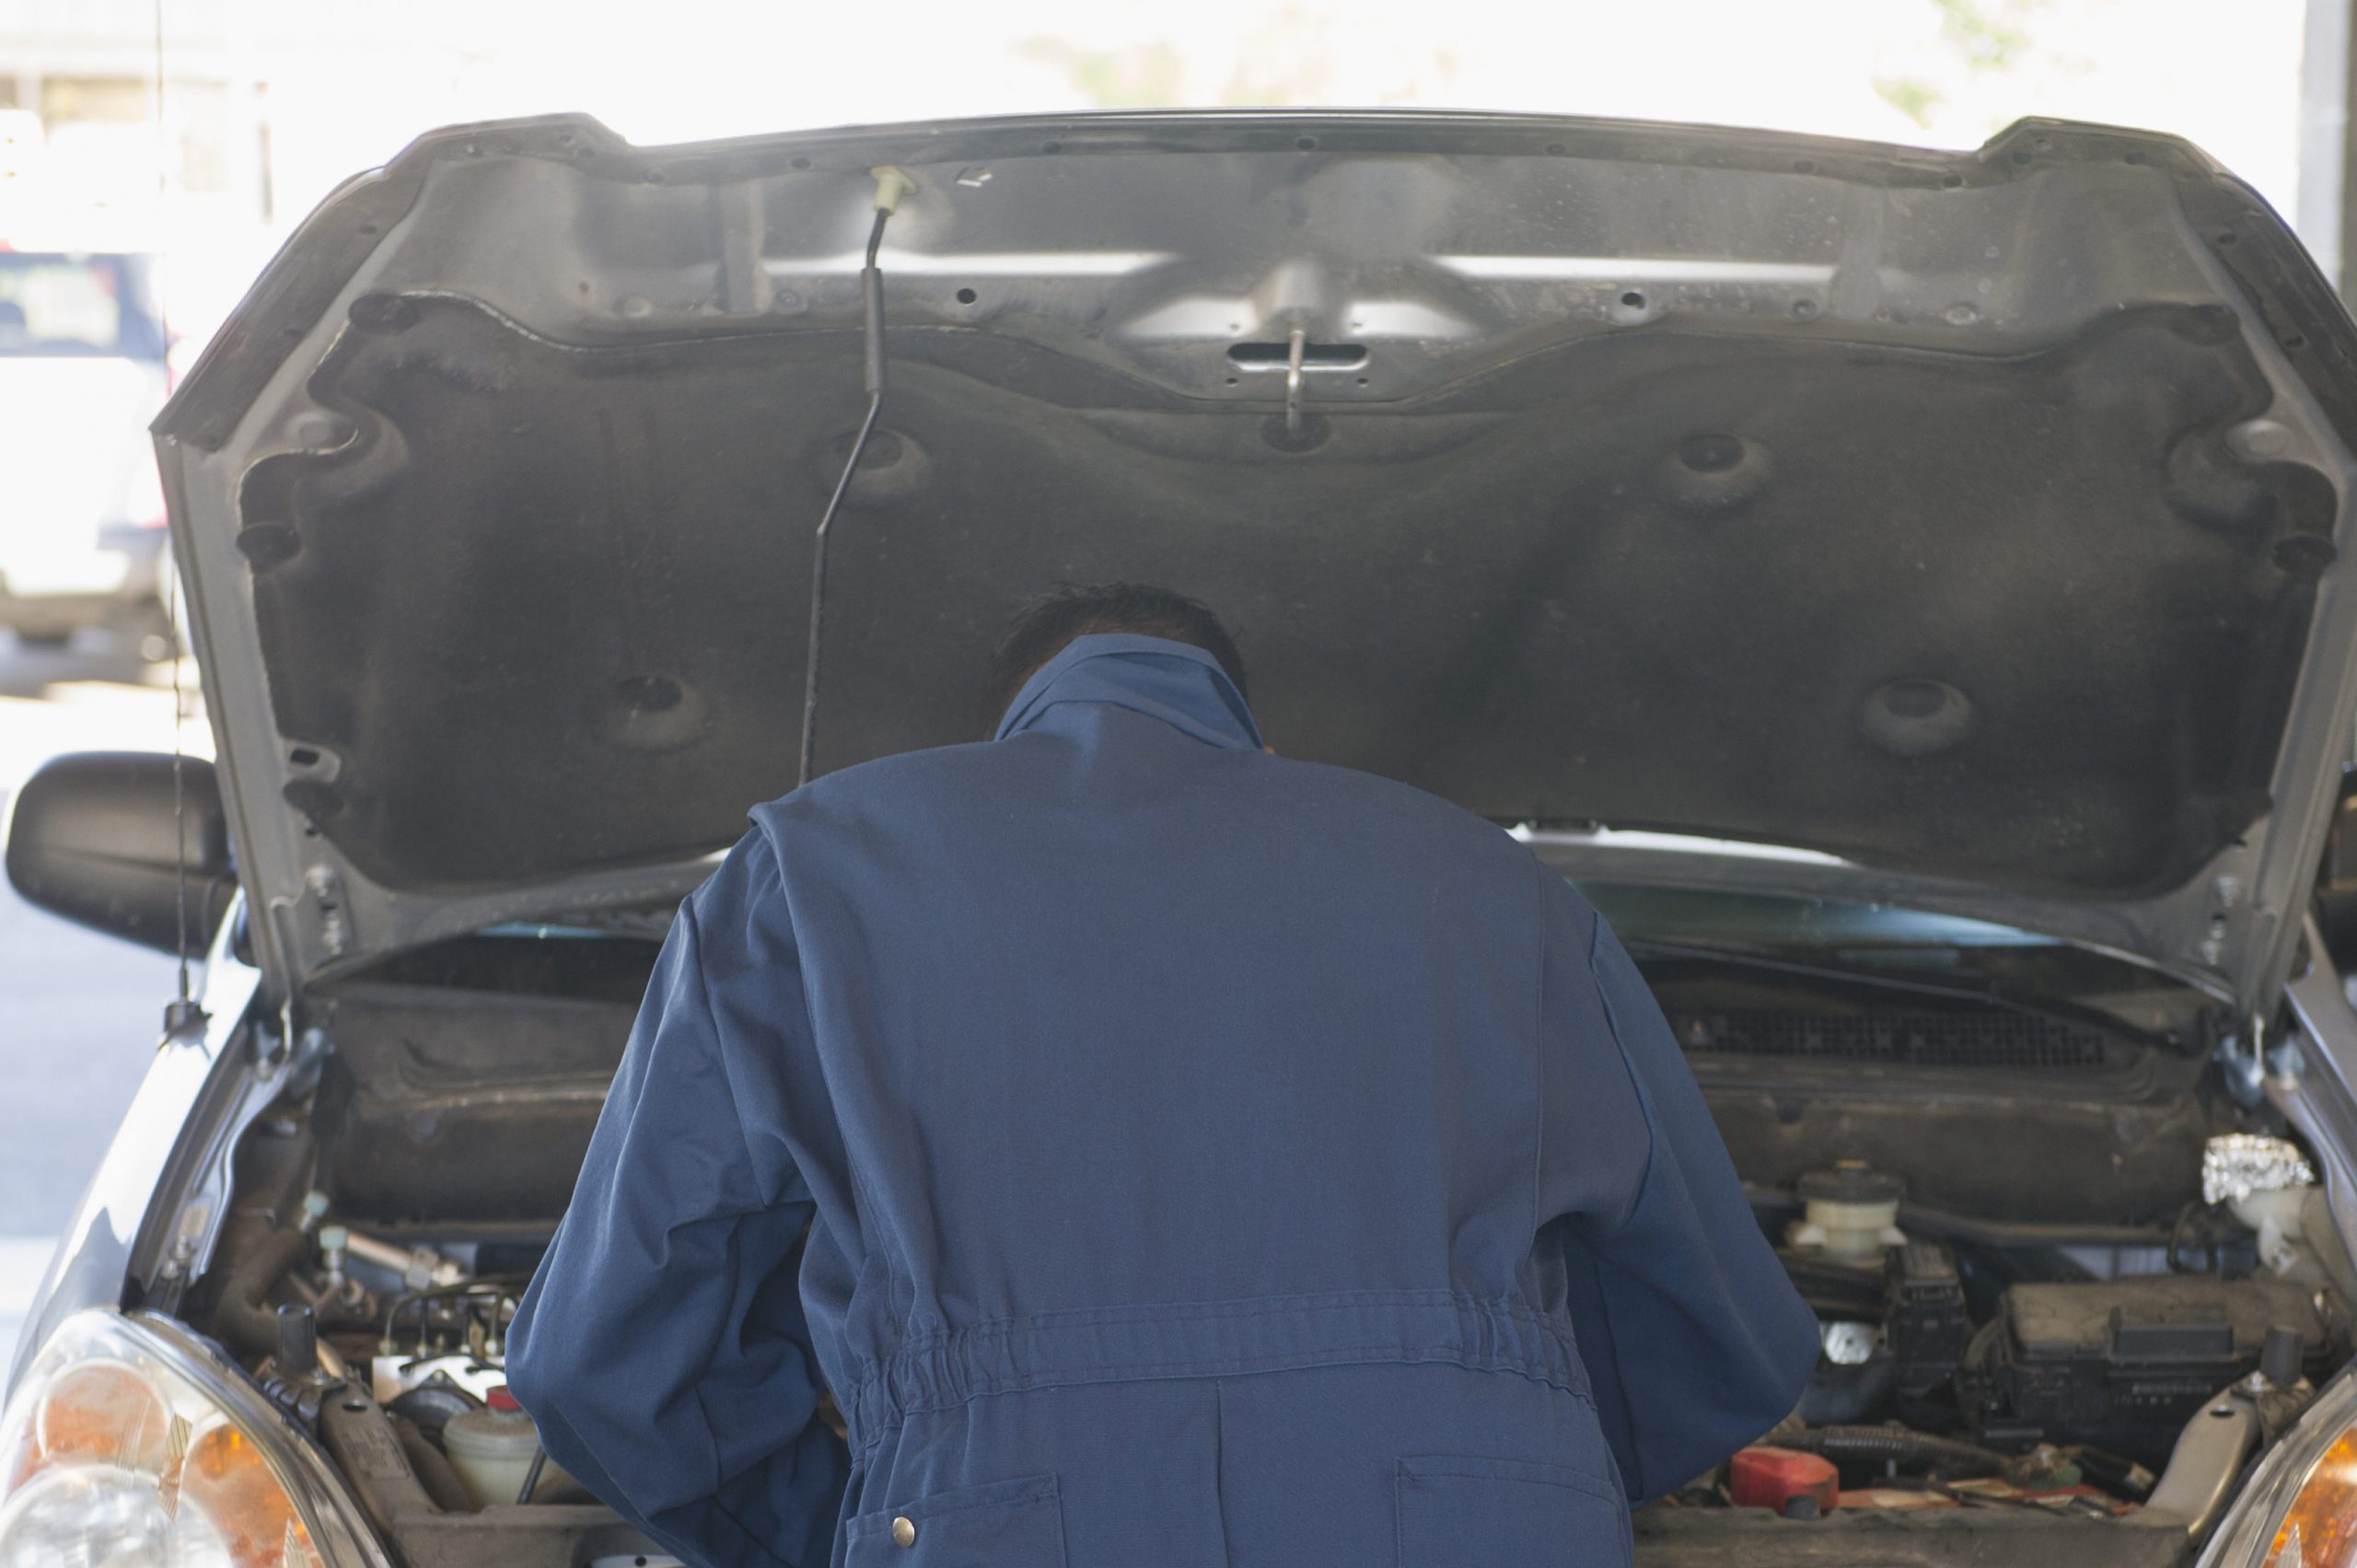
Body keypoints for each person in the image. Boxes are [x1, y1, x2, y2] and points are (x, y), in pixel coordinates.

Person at [507, 583, 1818, 1568]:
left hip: (994, 1515)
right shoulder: (1498, 886)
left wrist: (827, 1523)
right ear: (1247, 739)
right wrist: (1507, 1455)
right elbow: (1724, 1336)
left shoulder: (812, 871)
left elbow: (599, 1365)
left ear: (1008, 736)